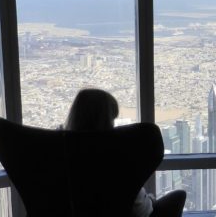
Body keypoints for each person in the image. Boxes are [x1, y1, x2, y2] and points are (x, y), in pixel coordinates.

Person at [65, 88, 186, 217]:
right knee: (179, 196)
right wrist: (149, 200)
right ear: (106, 121)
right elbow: (143, 211)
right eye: (112, 119)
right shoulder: (117, 155)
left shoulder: (59, 151)